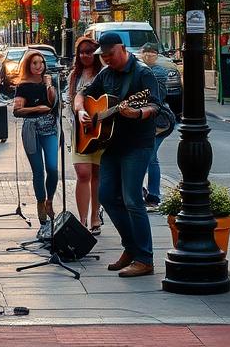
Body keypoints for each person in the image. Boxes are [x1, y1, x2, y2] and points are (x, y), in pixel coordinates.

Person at [73, 32, 160, 278]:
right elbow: (83, 94)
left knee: (132, 199)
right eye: (104, 55)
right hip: (110, 143)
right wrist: (81, 112)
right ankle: (131, 248)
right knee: (107, 196)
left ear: (122, 49)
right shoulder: (106, 73)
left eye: (110, 55)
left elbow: (156, 105)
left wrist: (138, 113)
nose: (107, 59)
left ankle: (145, 258)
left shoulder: (142, 73)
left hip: (137, 144)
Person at [12, 50, 58, 232]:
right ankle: (40, 203)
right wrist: (36, 109)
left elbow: (54, 103)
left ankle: (50, 201)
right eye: (35, 63)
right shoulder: (23, 86)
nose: (39, 66)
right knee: (38, 171)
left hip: (49, 128)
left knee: (53, 168)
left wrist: (49, 86)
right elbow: (17, 111)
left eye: (41, 63)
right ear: (28, 66)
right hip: (31, 129)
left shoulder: (49, 83)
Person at [68, 36, 102, 234]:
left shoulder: (104, 73)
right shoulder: (75, 75)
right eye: (81, 52)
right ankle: (81, 221)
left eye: (89, 51)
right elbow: (72, 99)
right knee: (83, 173)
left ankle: (94, 215)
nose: (85, 55)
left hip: (100, 130)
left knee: (97, 174)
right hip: (80, 130)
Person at [139, 42, 173, 209]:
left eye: (152, 53)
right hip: (149, 120)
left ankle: (152, 195)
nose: (149, 55)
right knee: (150, 158)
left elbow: (156, 96)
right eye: (146, 52)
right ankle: (149, 193)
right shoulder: (141, 70)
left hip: (158, 121)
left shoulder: (158, 72)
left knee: (150, 157)